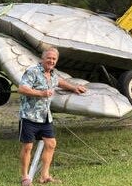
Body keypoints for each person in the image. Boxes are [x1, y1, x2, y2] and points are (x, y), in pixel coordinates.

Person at [18, 47, 86, 186]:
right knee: (28, 147)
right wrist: (41, 93)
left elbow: (60, 82)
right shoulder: (33, 71)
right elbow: (22, 88)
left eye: (54, 59)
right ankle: (25, 177)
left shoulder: (53, 75)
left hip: (45, 117)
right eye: (49, 58)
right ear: (43, 58)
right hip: (29, 116)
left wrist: (73, 87)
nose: (51, 61)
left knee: (51, 144)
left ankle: (44, 175)